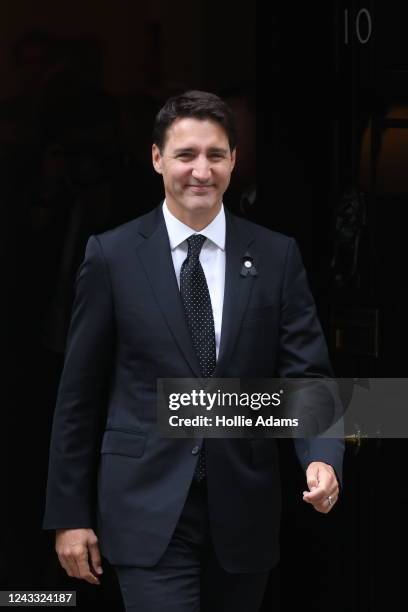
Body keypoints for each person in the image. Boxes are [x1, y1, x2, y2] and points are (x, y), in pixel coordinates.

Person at [43, 90, 344, 611]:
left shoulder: (275, 255)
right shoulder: (112, 256)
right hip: (145, 506)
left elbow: (307, 374)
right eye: (185, 155)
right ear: (157, 159)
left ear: (234, 161)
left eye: (215, 155)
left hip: (243, 510)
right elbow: (78, 398)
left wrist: (322, 458)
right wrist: (69, 515)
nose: (200, 170)